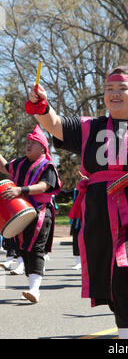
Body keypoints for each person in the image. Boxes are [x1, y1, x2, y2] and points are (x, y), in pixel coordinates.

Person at [25, 65, 128, 339]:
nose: (114, 94)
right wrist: (41, 105)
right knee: (114, 283)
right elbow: (54, 125)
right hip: (99, 218)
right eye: (109, 89)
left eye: (122, 89)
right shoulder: (89, 127)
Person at [0, 125, 61, 303]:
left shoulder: (47, 165)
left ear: (42, 147)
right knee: (24, 249)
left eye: (32, 143)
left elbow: (45, 186)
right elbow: (5, 167)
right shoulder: (20, 163)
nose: (28, 145)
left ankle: (35, 290)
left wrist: (21, 190)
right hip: (21, 211)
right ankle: (32, 287)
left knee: (35, 249)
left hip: (41, 212)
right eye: (27, 142)